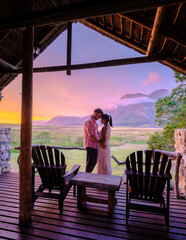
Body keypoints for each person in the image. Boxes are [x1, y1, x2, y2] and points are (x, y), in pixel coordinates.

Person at [84, 108, 104, 172]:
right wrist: (99, 143)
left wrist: (101, 140)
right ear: (95, 113)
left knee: (94, 161)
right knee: (90, 162)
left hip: (95, 144)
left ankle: (88, 175)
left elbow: (96, 132)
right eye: (99, 116)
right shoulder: (89, 121)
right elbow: (91, 135)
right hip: (90, 144)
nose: (100, 118)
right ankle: (86, 176)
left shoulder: (94, 122)